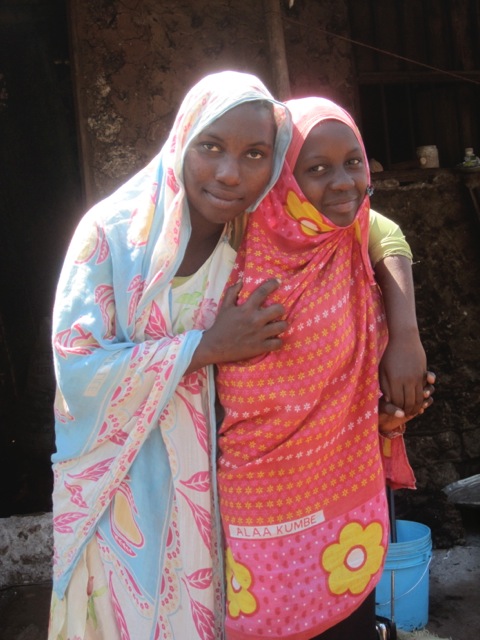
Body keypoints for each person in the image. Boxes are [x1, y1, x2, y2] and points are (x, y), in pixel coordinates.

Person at [49, 70, 430, 640]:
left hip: (222, 500)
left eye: (255, 154)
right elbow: (77, 366)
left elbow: (375, 225)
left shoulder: (256, 225)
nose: (231, 173)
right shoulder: (113, 234)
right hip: (131, 491)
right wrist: (207, 347)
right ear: (182, 138)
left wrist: (403, 338)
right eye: (211, 147)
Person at [215, 96, 433, 640]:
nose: (341, 183)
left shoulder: (350, 234)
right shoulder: (233, 240)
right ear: (283, 176)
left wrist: (404, 338)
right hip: (255, 504)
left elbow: (389, 231)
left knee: (349, 622)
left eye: (353, 162)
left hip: (345, 487)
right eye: (315, 169)